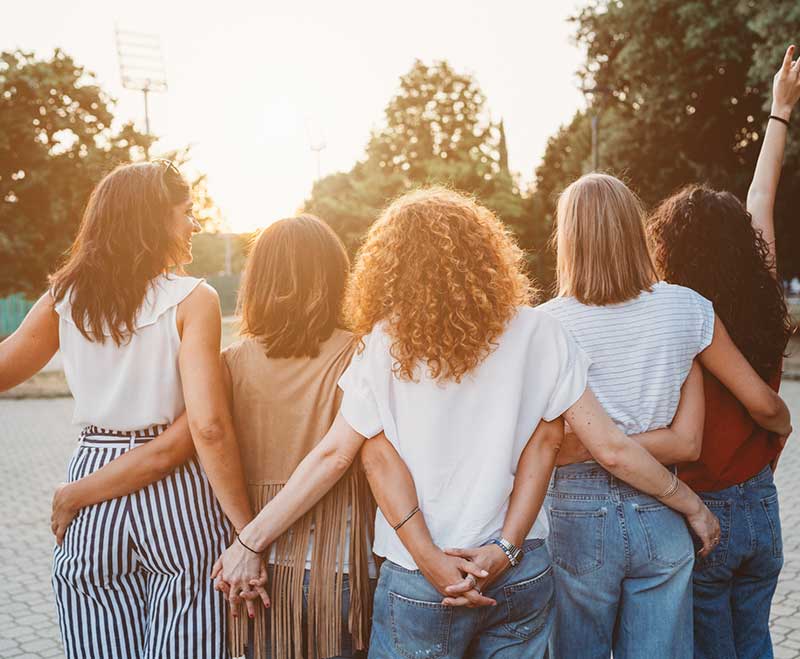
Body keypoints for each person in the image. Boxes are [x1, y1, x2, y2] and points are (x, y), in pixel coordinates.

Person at [213, 187, 719, 659]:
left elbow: (347, 456)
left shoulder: (380, 344)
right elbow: (579, 446)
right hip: (519, 572)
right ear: (487, 251)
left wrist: (251, 540)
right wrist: (504, 549)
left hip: (418, 579)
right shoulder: (541, 331)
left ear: (390, 266)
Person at [0, 161, 257, 659]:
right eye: (186, 212)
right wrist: (246, 530)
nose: (195, 224)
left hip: (92, 485)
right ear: (153, 218)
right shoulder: (192, 299)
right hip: (177, 494)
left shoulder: (65, 298)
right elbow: (207, 426)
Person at [539, 172, 791, 659]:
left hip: (576, 518)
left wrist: (589, 447)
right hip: (663, 512)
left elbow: (555, 448)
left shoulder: (546, 325)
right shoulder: (687, 310)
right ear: (634, 229)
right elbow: (687, 442)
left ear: (567, 238)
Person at [647, 44, 800, 659]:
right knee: (757, 641)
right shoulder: (761, 298)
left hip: (703, 511)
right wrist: (779, 113)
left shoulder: (678, 317)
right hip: (762, 504)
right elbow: (761, 197)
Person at [221, 215, 376, 659]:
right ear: (334, 278)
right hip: (343, 571)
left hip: (256, 572)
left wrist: (243, 544)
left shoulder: (229, 364)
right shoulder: (361, 352)